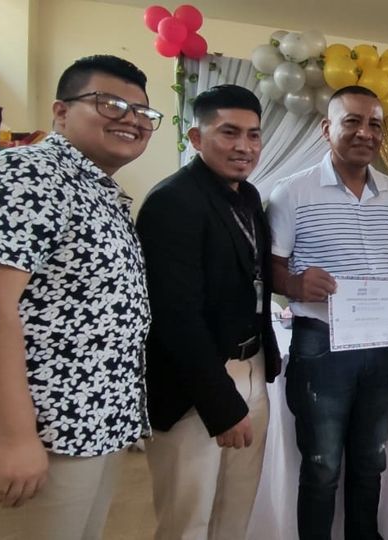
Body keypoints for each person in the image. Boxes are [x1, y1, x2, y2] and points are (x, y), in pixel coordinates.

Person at [0, 55, 158, 539]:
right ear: (61, 112)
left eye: (143, 112)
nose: (132, 119)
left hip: (91, 423)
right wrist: (16, 437)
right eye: (110, 103)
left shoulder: (97, 190)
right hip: (42, 427)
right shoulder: (27, 173)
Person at [267, 85, 388, 540]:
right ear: (326, 128)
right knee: (322, 465)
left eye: (375, 124)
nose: (365, 133)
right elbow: (270, 267)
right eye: (352, 121)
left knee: (371, 461)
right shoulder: (292, 191)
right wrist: (294, 284)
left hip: (381, 346)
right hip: (321, 345)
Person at [136, 84, 280, 539]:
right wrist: (221, 404)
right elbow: (176, 316)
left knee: (235, 509)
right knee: (189, 517)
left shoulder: (248, 196)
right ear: (197, 138)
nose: (244, 146)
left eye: (253, 135)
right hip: (196, 383)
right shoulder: (172, 201)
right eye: (229, 132)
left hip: (252, 364)